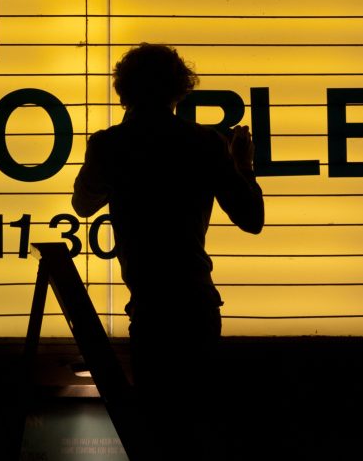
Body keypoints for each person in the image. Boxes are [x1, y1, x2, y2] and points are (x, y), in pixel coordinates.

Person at [71, 43, 264, 459]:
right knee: (196, 428)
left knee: (157, 431)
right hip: (196, 303)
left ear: (123, 92)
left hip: (150, 309)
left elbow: (83, 205)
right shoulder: (204, 144)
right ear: (179, 91)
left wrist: (102, 159)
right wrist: (242, 163)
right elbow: (251, 219)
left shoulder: (111, 146)